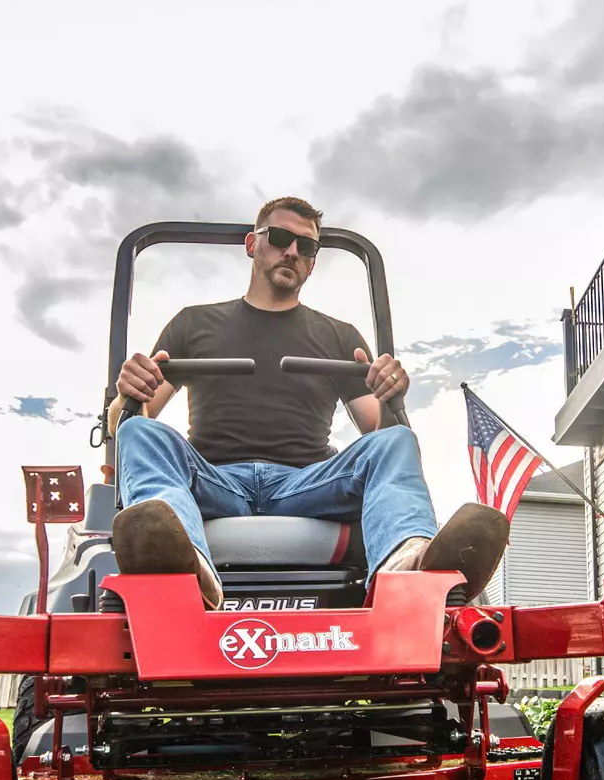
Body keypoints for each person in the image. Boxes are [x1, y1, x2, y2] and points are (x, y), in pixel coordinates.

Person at [107, 196, 507, 607]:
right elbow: (130, 422)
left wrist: (390, 392)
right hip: (213, 480)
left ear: (313, 262)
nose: (293, 252)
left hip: (306, 484)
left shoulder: (338, 336)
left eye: (307, 246)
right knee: (138, 430)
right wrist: (127, 392)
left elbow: (378, 431)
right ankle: (185, 572)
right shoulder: (193, 323)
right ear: (252, 243)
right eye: (280, 238)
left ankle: (406, 569)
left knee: (398, 441)